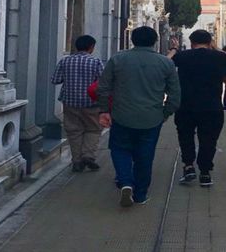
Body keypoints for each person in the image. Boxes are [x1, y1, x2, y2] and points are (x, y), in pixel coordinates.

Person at [97, 26, 180, 207]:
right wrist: (165, 113)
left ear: (133, 40)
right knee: (145, 155)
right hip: (151, 117)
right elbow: (175, 95)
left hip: (121, 115)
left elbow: (103, 87)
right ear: (155, 41)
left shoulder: (117, 60)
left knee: (120, 150)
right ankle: (141, 194)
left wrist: (104, 110)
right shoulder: (166, 63)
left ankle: (126, 182)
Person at [168, 30, 226, 187]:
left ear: (191, 42)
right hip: (212, 106)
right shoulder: (219, 57)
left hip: (186, 106)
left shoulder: (183, 56)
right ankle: (205, 173)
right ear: (210, 42)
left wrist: (174, 49)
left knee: (186, 137)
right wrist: (216, 48)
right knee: (209, 140)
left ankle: (189, 166)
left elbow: (166, 62)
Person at [51, 35, 104, 172]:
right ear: (91, 47)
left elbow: (56, 80)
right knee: (93, 129)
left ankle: (76, 161)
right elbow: (103, 83)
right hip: (91, 102)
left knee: (74, 131)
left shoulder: (65, 61)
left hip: (70, 102)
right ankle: (88, 155)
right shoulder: (96, 62)